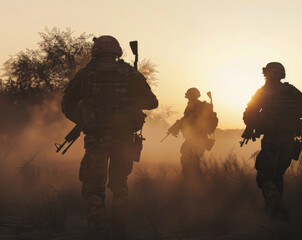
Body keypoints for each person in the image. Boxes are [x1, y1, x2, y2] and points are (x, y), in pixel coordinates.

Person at [61, 35, 158, 239]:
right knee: (120, 185)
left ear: (96, 51)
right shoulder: (130, 74)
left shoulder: (86, 74)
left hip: (96, 140)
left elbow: (67, 104)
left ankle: (97, 230)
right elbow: (152, 102)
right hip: (123, 139)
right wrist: (132, 100)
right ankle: (118, 229)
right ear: (117, 51)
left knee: (93, 186)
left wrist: (84, 119)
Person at [243, 62, 302, 221]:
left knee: (264, 177)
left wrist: (258, 123)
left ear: (268, 74)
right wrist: (290, 113)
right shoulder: (292, 91)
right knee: (277, 175)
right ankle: (272, 213)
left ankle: (276, 207)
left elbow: (248, 115)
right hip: (289, 142)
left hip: (272, 140)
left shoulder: (263, 92)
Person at [165, 88, 218, 180]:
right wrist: (177, 126)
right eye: (188, 97)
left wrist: (179, 125)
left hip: (199, 139)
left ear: (194, 96)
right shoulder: (192, 106)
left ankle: (194, 183)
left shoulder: (200, 107)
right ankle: (191, 182)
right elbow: (186, 119)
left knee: (191, 161)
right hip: (192, 139)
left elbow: (192, 121)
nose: (189, 99)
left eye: (190, 97)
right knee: (187, 159)